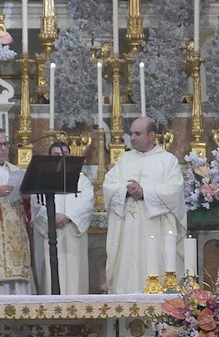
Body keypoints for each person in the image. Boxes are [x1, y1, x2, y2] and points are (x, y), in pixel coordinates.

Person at [103, 116, 187, 294]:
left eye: (137, 133)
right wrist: (126, 190)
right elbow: (109, 185)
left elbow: (174, 190)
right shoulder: (125, 159)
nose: (132, 138)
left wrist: (144, 193)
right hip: (128, 230)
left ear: (151, 135)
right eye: (131, 133)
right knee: (128, 270)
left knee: (154, 267)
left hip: (156, 228)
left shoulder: (167, 160)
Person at [33, 141, 94, 295]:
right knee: (49, 273)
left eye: (65, 155)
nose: (60, 159)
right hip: (49, 232)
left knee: (76, 275)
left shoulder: (82, 181)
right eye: (56, 155)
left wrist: (68, 217)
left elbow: (87, 203)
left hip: (73, 233)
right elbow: (36, 205)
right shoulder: (39, 180)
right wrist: (51, 218)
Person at [0, 129, 34, 294]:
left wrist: (27, 197)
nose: (3, 148)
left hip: (16, 237)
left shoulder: (16, 171)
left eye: (5, 144)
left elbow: (30, 208)